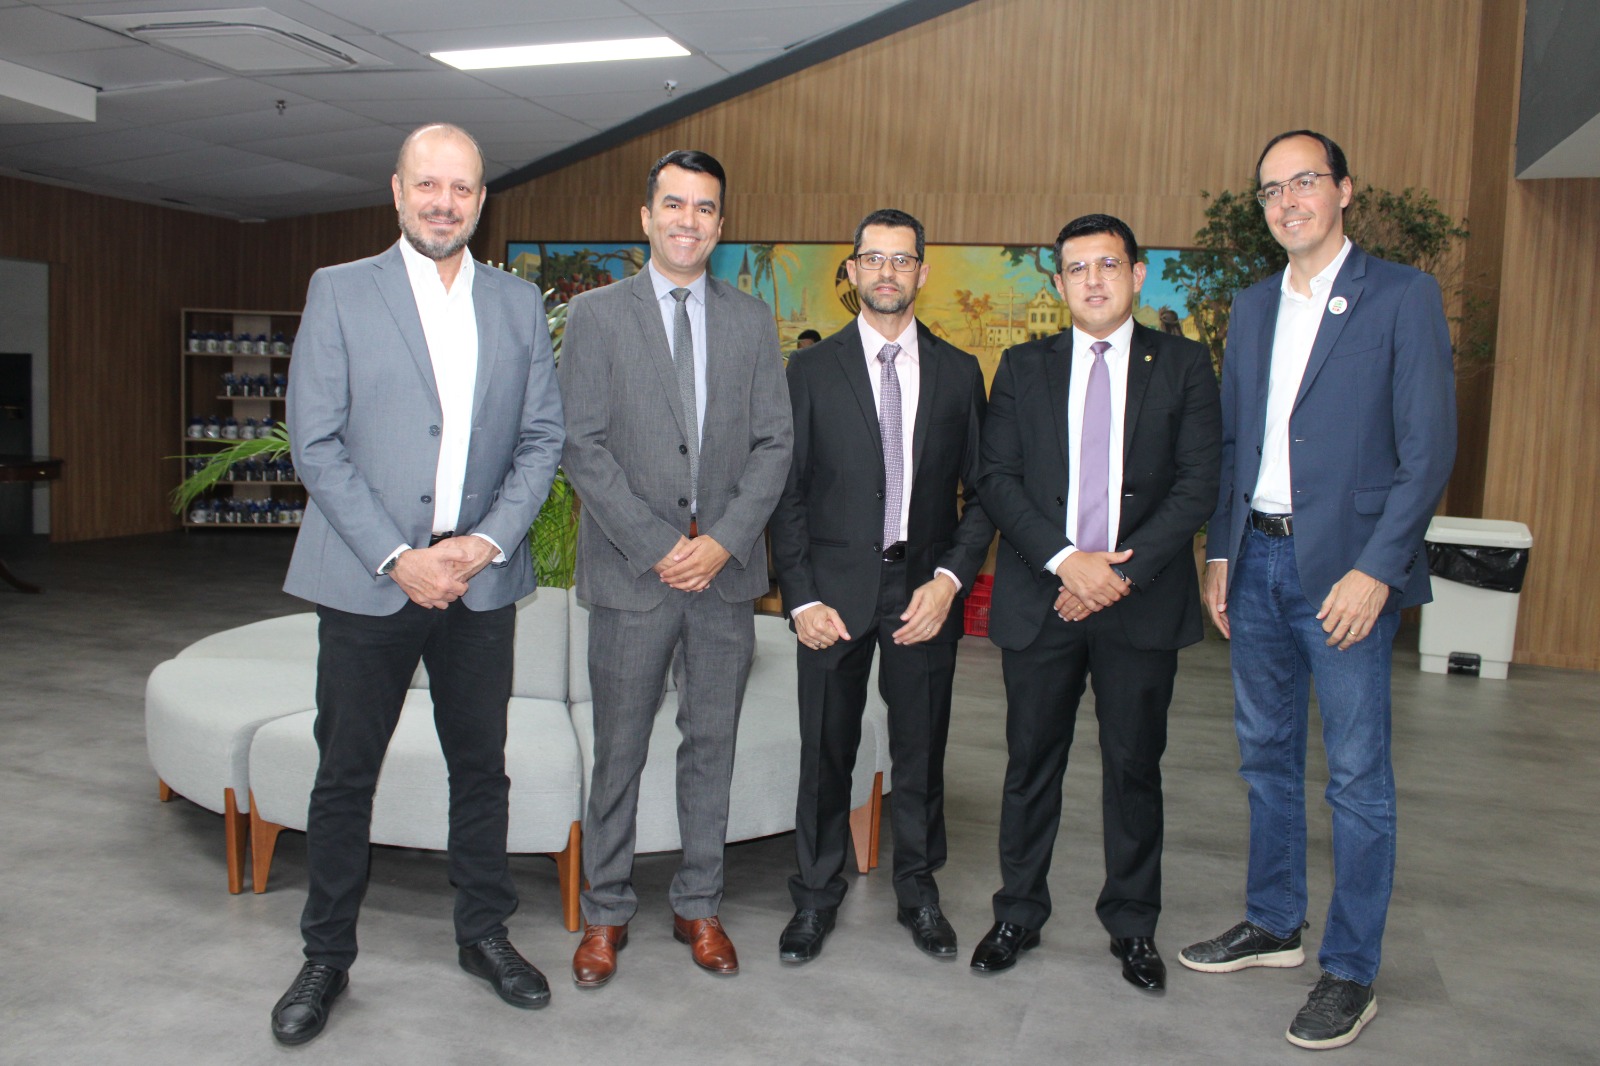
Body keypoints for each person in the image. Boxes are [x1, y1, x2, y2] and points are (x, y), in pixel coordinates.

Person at [272, 123, 565, 1045]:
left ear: (482, 200)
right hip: (372, 581)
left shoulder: (517, 303)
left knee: (481, 768)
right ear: (397, 191)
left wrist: (482, 543)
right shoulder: (340, 290)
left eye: (462, 188)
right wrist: (400, 558)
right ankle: (326, 955)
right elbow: (315, 440)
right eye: (428, 185)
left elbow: (541, 439)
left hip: (479, 581)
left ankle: (485, 934)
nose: (445, 203)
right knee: (344, 773)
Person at [1180, 130, 1456, 1050]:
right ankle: (1274, 922)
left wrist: (1377, 570)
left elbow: (1428, 451)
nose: (1287, 200)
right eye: (1270, 190)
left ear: (1344, 191)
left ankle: (1351, 970)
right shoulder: (1254, 305)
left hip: (1346, 572)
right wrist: (1221, 553)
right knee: (1264, 758)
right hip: (1256, 562)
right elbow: (1236, 444)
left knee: (1357, 780)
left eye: (1304, 181)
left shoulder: (1402, 296)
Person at [558, 149, 793, 988]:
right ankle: (605, 912)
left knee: (711, 748)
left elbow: (775, 444)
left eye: (704, 207)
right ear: (646, 216)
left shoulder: (751, 321)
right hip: (634, 576)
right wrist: (659, 547)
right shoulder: (595, 318)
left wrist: (721, 542)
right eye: (674, 204)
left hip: (723, 580)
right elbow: (581, 446)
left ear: (720, 225)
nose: (688, 220)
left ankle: (699, 903)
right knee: (618, 750)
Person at [971, 214, 1221, 991]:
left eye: (1108, 264)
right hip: (1041, 598)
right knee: (1029, 766)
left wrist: (1113, 577)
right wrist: (1066, 564)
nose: (1093, 280)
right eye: (1077, 269)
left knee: (1133, 769)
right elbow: (997, 479)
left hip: (1138, 603)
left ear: (1137, 274)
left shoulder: (1183, 365)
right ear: (1058, 284)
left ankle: (1133, 926)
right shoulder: (1023, 366)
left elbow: (1197, 485)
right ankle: (1017, 912)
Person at [769, 209, 992, 964]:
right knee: (825, 753)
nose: (887, 272)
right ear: (853, 270)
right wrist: (800, 598)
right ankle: (814, 897)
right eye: (873, 259)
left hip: (922, 594)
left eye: (901, 259)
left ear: (922, 271)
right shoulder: (810, 370)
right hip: (831, 597)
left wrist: (950, 580)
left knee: (920, 754)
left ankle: (919, 893)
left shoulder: (959, 372)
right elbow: (787, 494)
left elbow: (984, 493)